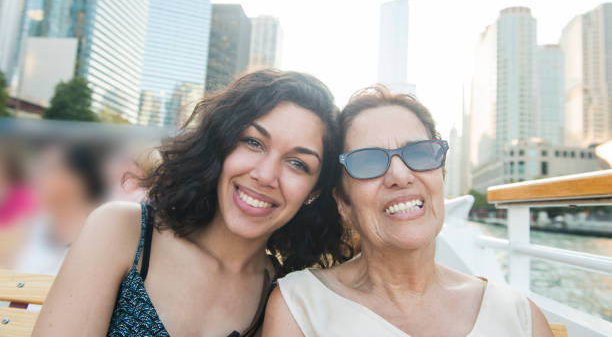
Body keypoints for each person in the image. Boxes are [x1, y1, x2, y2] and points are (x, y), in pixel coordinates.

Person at [33, 70, 350, 337]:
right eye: (253, 142)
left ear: (314, 191)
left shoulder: (284, 298)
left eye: (298, 163)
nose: (266, 175)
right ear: (221, 145)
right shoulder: (123, 231)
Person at [263, 85, 553, 337]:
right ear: (343, 202)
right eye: (368, 161)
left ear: (441, 176)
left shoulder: (518, 315)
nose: (400, 175)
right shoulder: (299, 305)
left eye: (419, 153)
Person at [13, 142, 108, 274]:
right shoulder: (29, 228)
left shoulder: (102, 235)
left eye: (49, 169)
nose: (38, 177)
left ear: (78, 180)